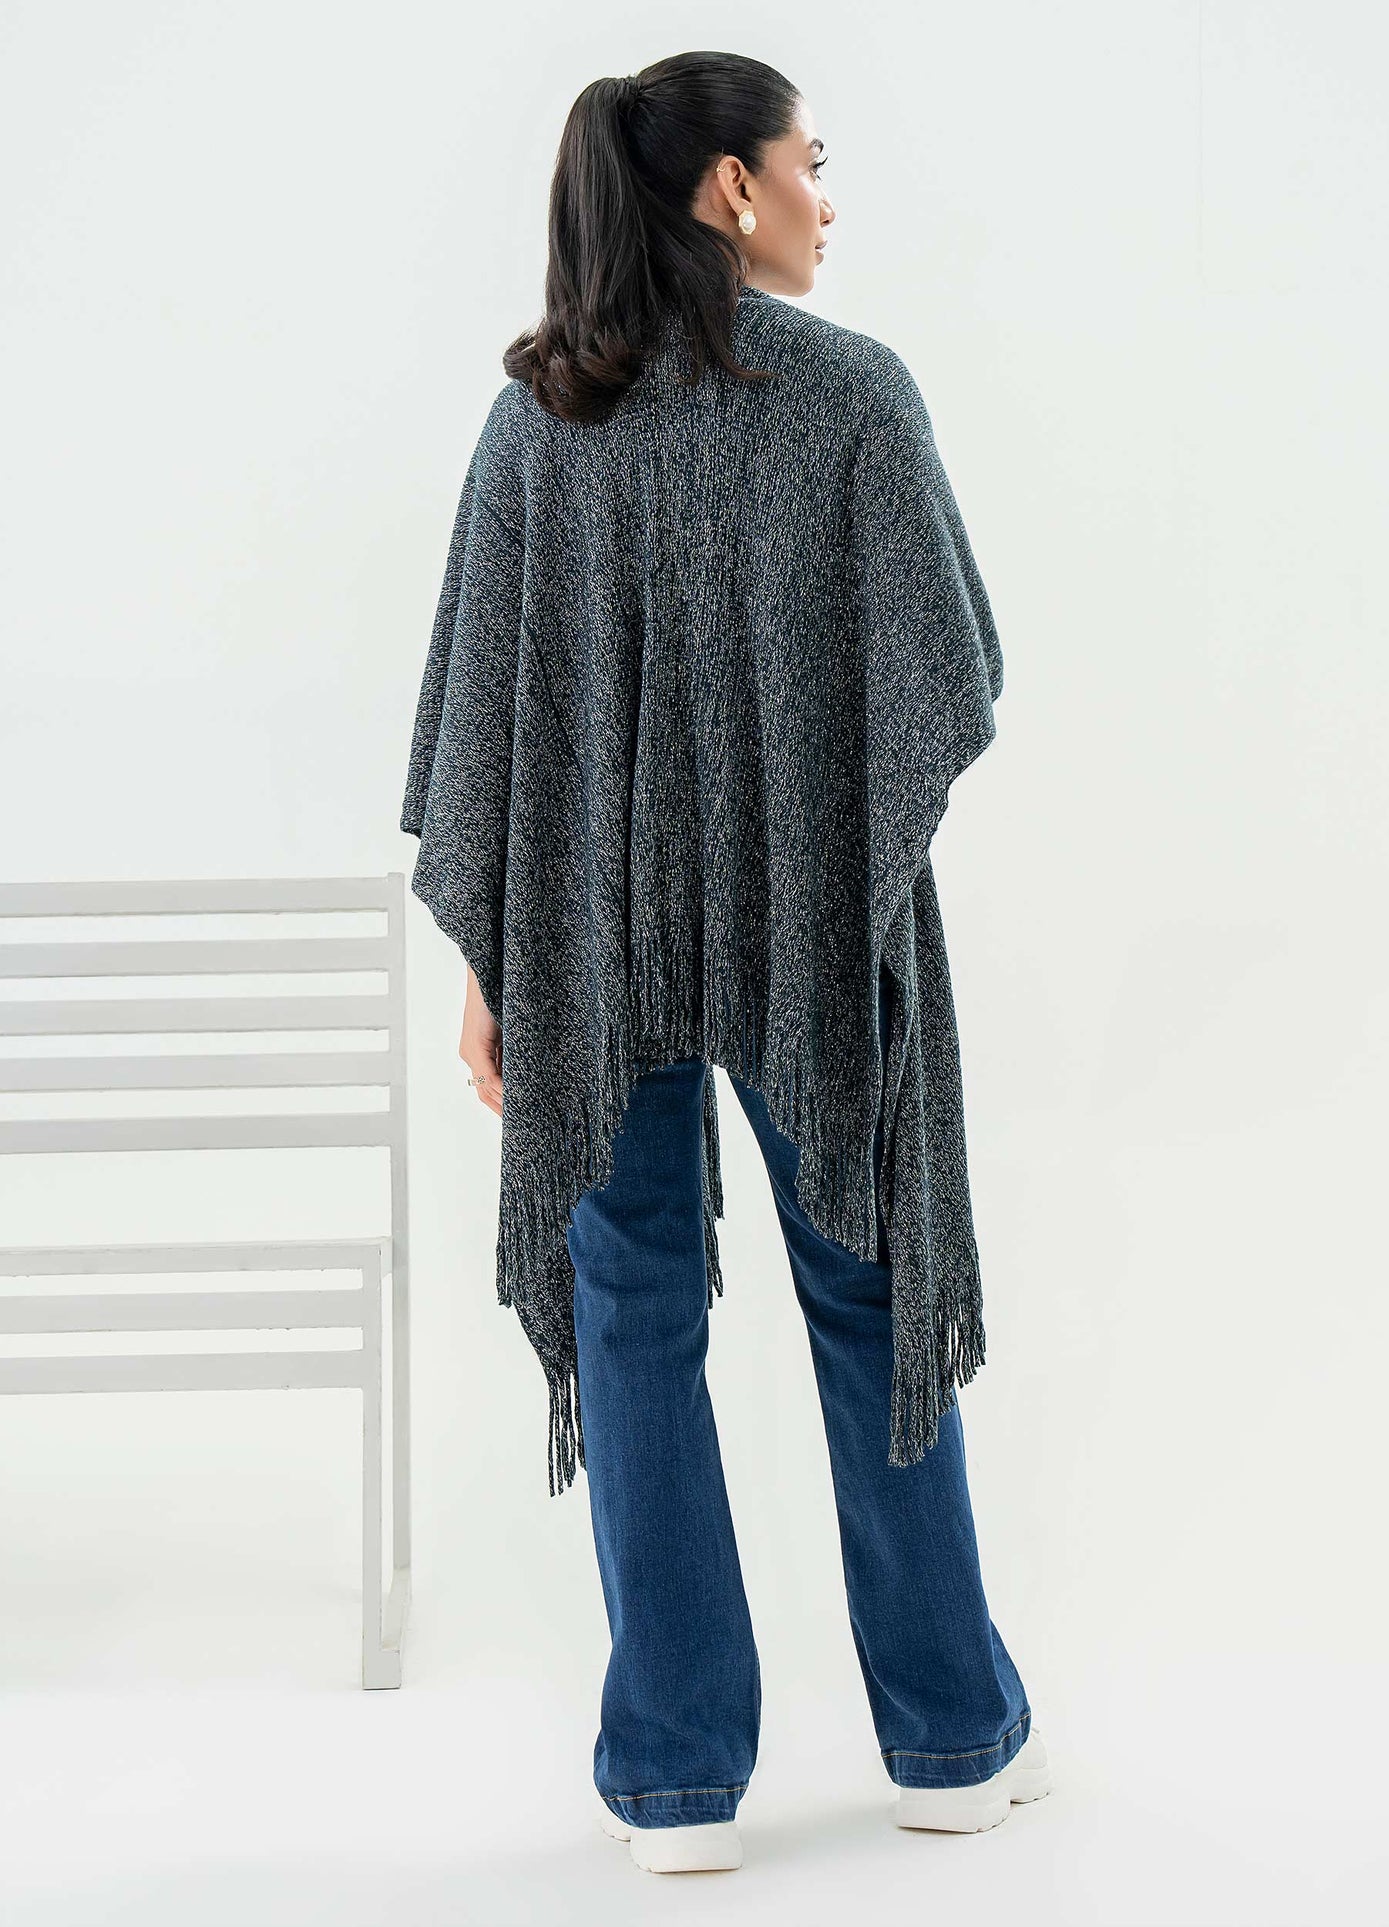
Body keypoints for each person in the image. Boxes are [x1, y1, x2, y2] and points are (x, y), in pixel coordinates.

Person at [400, 49, 1052, 1876]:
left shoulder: (539, 418)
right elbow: (952, 676)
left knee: (629, 1318)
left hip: (591, 942)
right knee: (870, 1294)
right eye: (808, 164)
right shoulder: (849, 397)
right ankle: (950, 1742)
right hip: (812, 931)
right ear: (727, 190)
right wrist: (827, 838)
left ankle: (676, 1781)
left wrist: (506, 964)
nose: (826, 200)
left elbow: (490, 744)